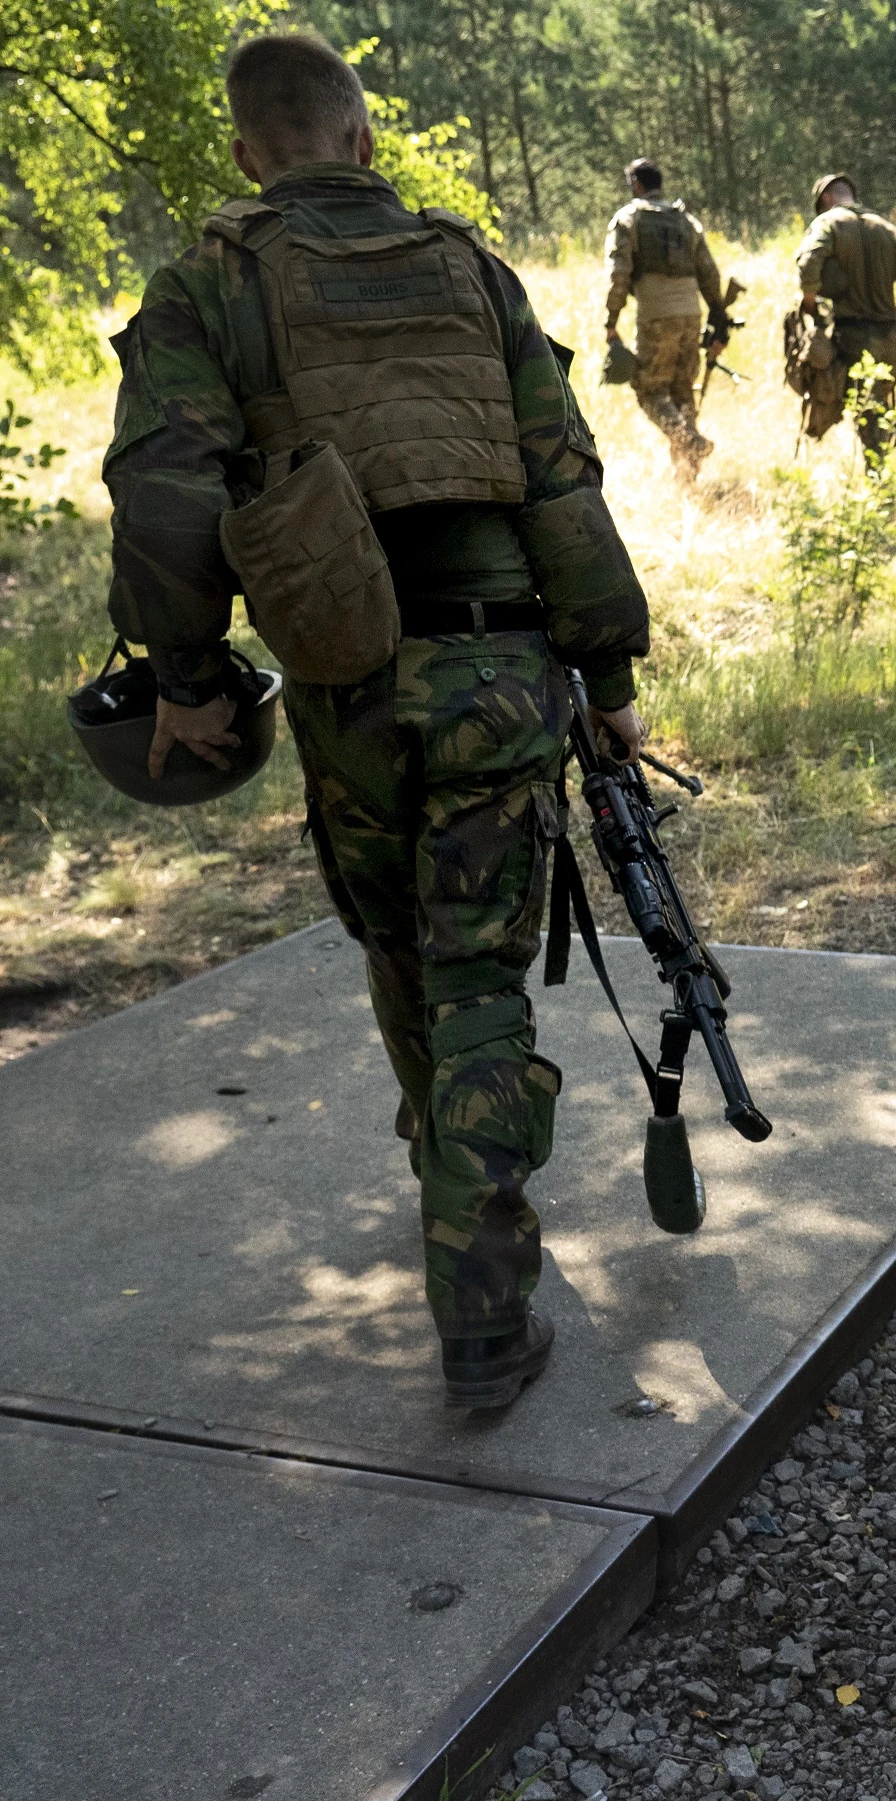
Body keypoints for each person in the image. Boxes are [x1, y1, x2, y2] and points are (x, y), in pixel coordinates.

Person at [105, 33, 652, 1411]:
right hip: (500, 681)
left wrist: (181, 681)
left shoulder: (208, 284)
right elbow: (561, 483)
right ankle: (479, 1295)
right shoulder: (470, 268)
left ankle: (454, 1191)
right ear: (358, 139)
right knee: (477, 978)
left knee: (402, 947)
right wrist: (610, 682)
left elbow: (167, 500)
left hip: (350, 692)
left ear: (246, 153)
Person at [603, 157, 730, 480]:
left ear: (636, 185)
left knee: (649, 391)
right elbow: (709, 273)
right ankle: (687, 479)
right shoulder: (686, 221)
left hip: (656, 316)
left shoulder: (628, 218)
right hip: (692, 315)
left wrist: (610, 321)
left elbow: (618, 274)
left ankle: (690, 443)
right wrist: (718, 314)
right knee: (682, 392)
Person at [794, 173, 896, 456]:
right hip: (891, 337)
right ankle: (887, 459)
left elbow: (808, 265)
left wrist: (809, 303)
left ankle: (880, 490)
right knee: (878, 407)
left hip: (854, 338)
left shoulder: (828, 223)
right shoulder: (885, 228)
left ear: (826, 198)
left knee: (867, 418)